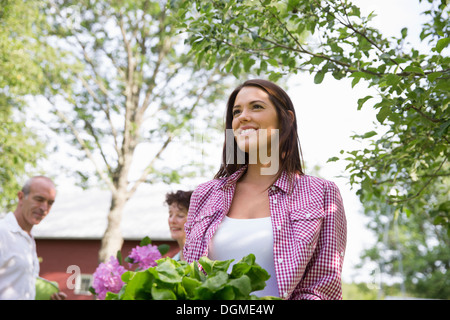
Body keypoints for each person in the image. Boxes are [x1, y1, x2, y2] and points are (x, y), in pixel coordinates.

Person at [183, 79, 347, 300]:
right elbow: (187, 279)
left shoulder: (322, 192)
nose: (243, 117)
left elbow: (322, 288)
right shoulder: (205, 195)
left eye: (256, 107)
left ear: (286, 118)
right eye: (236, 111)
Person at [0, 176, 67, 300]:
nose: (44, 208)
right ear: (21, 197)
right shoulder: (2, 233)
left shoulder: (28, 239)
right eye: (39, 199)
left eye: (50, 203)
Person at [165, 190, 193, 261]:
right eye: (170, 215)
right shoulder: (173, 262)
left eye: (180, 215)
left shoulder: (208, 258)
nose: (172, 221)